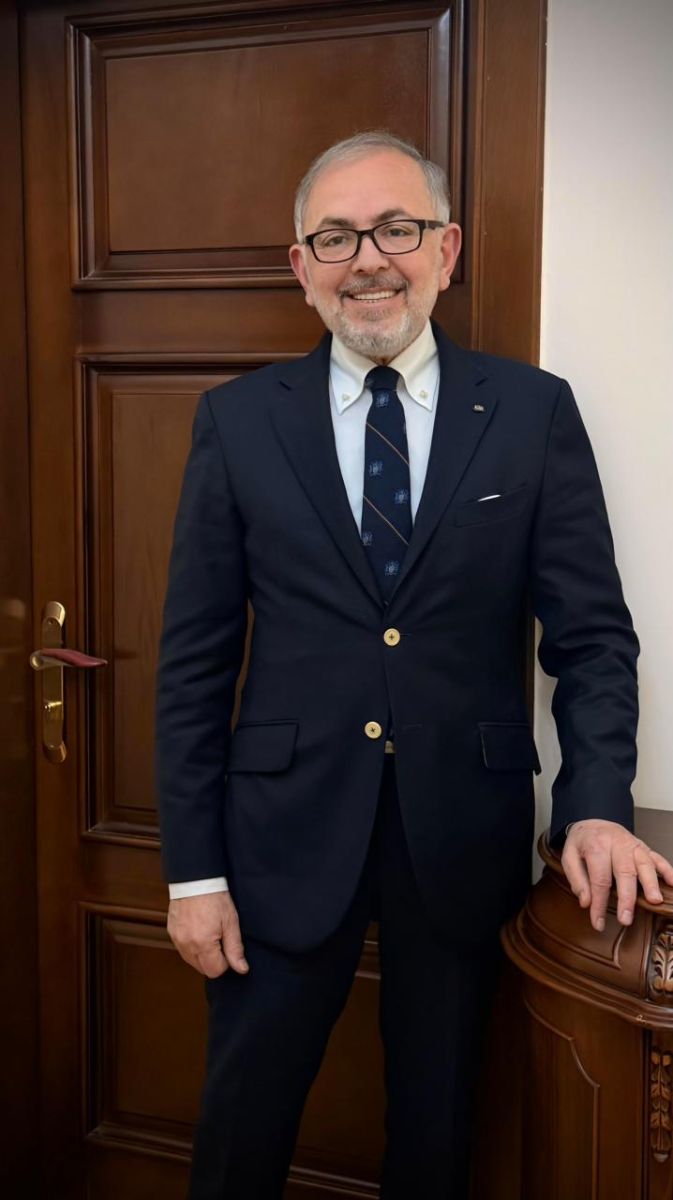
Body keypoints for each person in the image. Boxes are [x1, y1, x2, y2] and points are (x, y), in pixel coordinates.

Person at [155, 131, 673, 1199]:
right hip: (278, 842)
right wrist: (193, 874)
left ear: (447, 249)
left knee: (438, 1139)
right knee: (241, 1129)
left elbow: (591, 637)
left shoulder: (530, 411)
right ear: (301, 267)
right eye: (335, 237)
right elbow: (194, 664)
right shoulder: (238, 422)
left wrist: (595, 805)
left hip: (462, 840)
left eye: (395, 229)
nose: (368, 260)